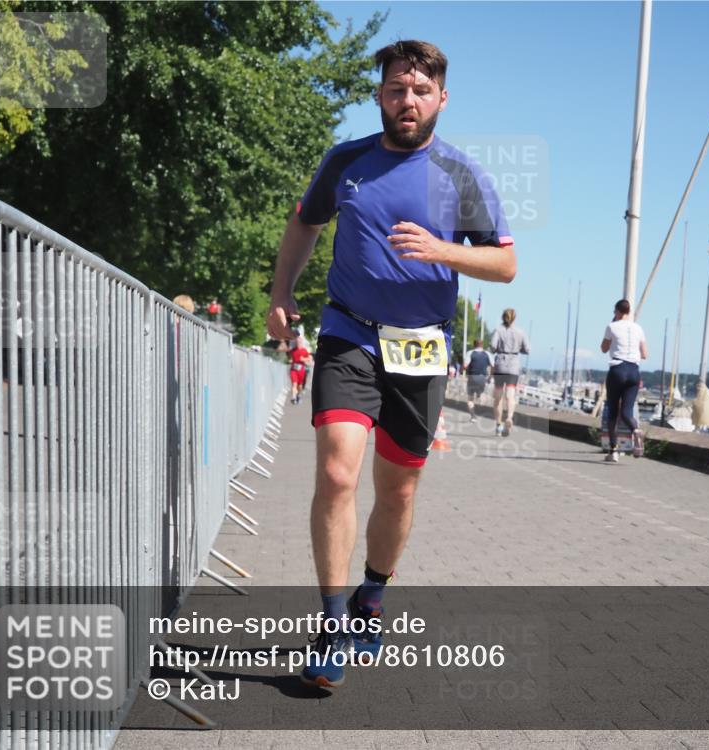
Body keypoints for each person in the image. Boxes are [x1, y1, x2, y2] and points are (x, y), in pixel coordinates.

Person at [266, 39, 516, 689]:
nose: (408, 101)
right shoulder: (344, 162)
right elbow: (304, 224)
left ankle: (371, 597)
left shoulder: (463, 176)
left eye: (421, 90)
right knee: (336, 473)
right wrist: (281, 293)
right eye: (397, 89)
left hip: (422, 346)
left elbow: (506, 264)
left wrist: (444, 249)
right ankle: (329, 622)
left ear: (441, 99)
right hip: (348, 334)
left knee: (399, 488)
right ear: (380, 94)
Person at [600, 299, 648, 462]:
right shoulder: (638, 328)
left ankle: (613, 451)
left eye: (615, 312)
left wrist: (613, 326)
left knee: (613, 411)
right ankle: (636, 430)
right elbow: (644, 354)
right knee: (627, 412)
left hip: (617, 370)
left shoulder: (611, 326)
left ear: (618, 312)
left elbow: (604, 348)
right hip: (634, 371)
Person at [490, 308, 529, 436]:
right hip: (513, 365)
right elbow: (527, 349)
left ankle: (498, 425)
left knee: (498, 397)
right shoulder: (520, 332)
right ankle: (510, 417)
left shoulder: (498, 330)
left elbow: (493, 346)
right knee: (510, 395)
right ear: (515, 318)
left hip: (501, 364)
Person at [464, 339, 492, 422]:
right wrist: (490, 377)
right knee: (480, 393)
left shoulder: (470, 353)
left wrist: (462, 370)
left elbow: (465, 366)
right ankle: (480, 395)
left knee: (470, 399)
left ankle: (473, 417)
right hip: (482, 378)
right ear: (482, 345)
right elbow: (493, 366)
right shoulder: (487, 354)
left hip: (472, 377)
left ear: (474, 345)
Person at [289, 335, 314, 405]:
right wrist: (290, 360)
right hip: (293, 370)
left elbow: (310, 358)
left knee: (299, 386)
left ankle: (298, 395)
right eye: (297, 342)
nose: (298, 343)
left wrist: (304, 359)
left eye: (299, 342)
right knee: (294, 384)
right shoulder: (293, 350)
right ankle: (293, 397)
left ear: (302, 342)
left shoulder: (304, 350)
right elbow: (290, 358)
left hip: (301, 370)